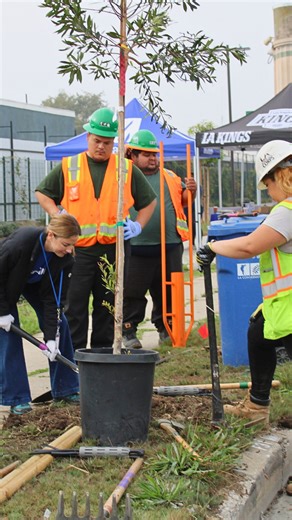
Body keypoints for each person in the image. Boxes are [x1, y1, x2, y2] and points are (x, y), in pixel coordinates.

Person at [35, 108, 157, 351]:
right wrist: (56, 214)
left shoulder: (126, 168)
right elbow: (43, 193)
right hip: (77, 252)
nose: (101, 146)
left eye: (107, 142)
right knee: (74, 306)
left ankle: (103, 353)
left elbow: (149, 201)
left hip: (114, 250)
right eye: (97, 140)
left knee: (108, 305)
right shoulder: (70, 166)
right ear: (87, 136)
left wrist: (138, 225)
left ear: (115, 142)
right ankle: (75, 355)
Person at [196, 140, 292, 424]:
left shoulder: (287, 211)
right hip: (282, 306)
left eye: (267, 185)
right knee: (258, 333)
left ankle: (256, 408)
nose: (269, 192)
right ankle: (256, 407)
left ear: (277, 176)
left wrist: (213, 247)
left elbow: (249, 246)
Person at [122, 129, 197, 348]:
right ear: (132, 156)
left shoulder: (170, 176)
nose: (153, 158)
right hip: (136, 246)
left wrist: (191, 190)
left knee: (167, 291)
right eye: (146, 154)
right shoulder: (124, 177)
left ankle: (167, 329)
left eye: (154, 154)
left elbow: (182, 201)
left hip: (170, 244)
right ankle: (128, 331)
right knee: (132, 292)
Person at [0, 213, 81, 415]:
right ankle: (17, 398)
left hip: (37, 285)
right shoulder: (19, 245)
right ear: (51, 235)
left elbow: (54, 300)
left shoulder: (64, 259)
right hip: (6, 284)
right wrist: (2, 313)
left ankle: (66, 388)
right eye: (66, 244)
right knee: (9, 334)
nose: (70, 249)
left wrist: (51, 337)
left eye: (72, 245)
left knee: (59, 325)